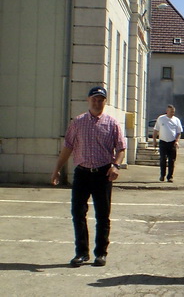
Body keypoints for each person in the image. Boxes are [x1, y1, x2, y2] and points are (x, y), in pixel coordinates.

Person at [50, 86, 126, 268]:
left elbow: (121, 148)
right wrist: (57, 169)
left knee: (102, 215)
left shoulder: (112, 123)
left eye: (101, 100)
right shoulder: (77, 122)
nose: (97, 103)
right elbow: (68, 146)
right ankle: (81, 253)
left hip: (103, 174)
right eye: (94, 99)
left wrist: (116, 166)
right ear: (88, 100)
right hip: (82, 173)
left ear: (105, 102)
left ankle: (101, 253)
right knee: (78, 212)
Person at [153, 105, 183, 182]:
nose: (172, 113)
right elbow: (156, 130)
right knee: (163, 159)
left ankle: (170, 176)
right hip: (163, 142)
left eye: (173, 112)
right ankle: (162, 175)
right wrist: (154, 140)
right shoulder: (161, 118)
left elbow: (179, 132)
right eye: (171, 111)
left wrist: (176, 141)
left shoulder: (176, 120)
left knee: (171, 160)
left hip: (172, 142)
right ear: (167, 111)